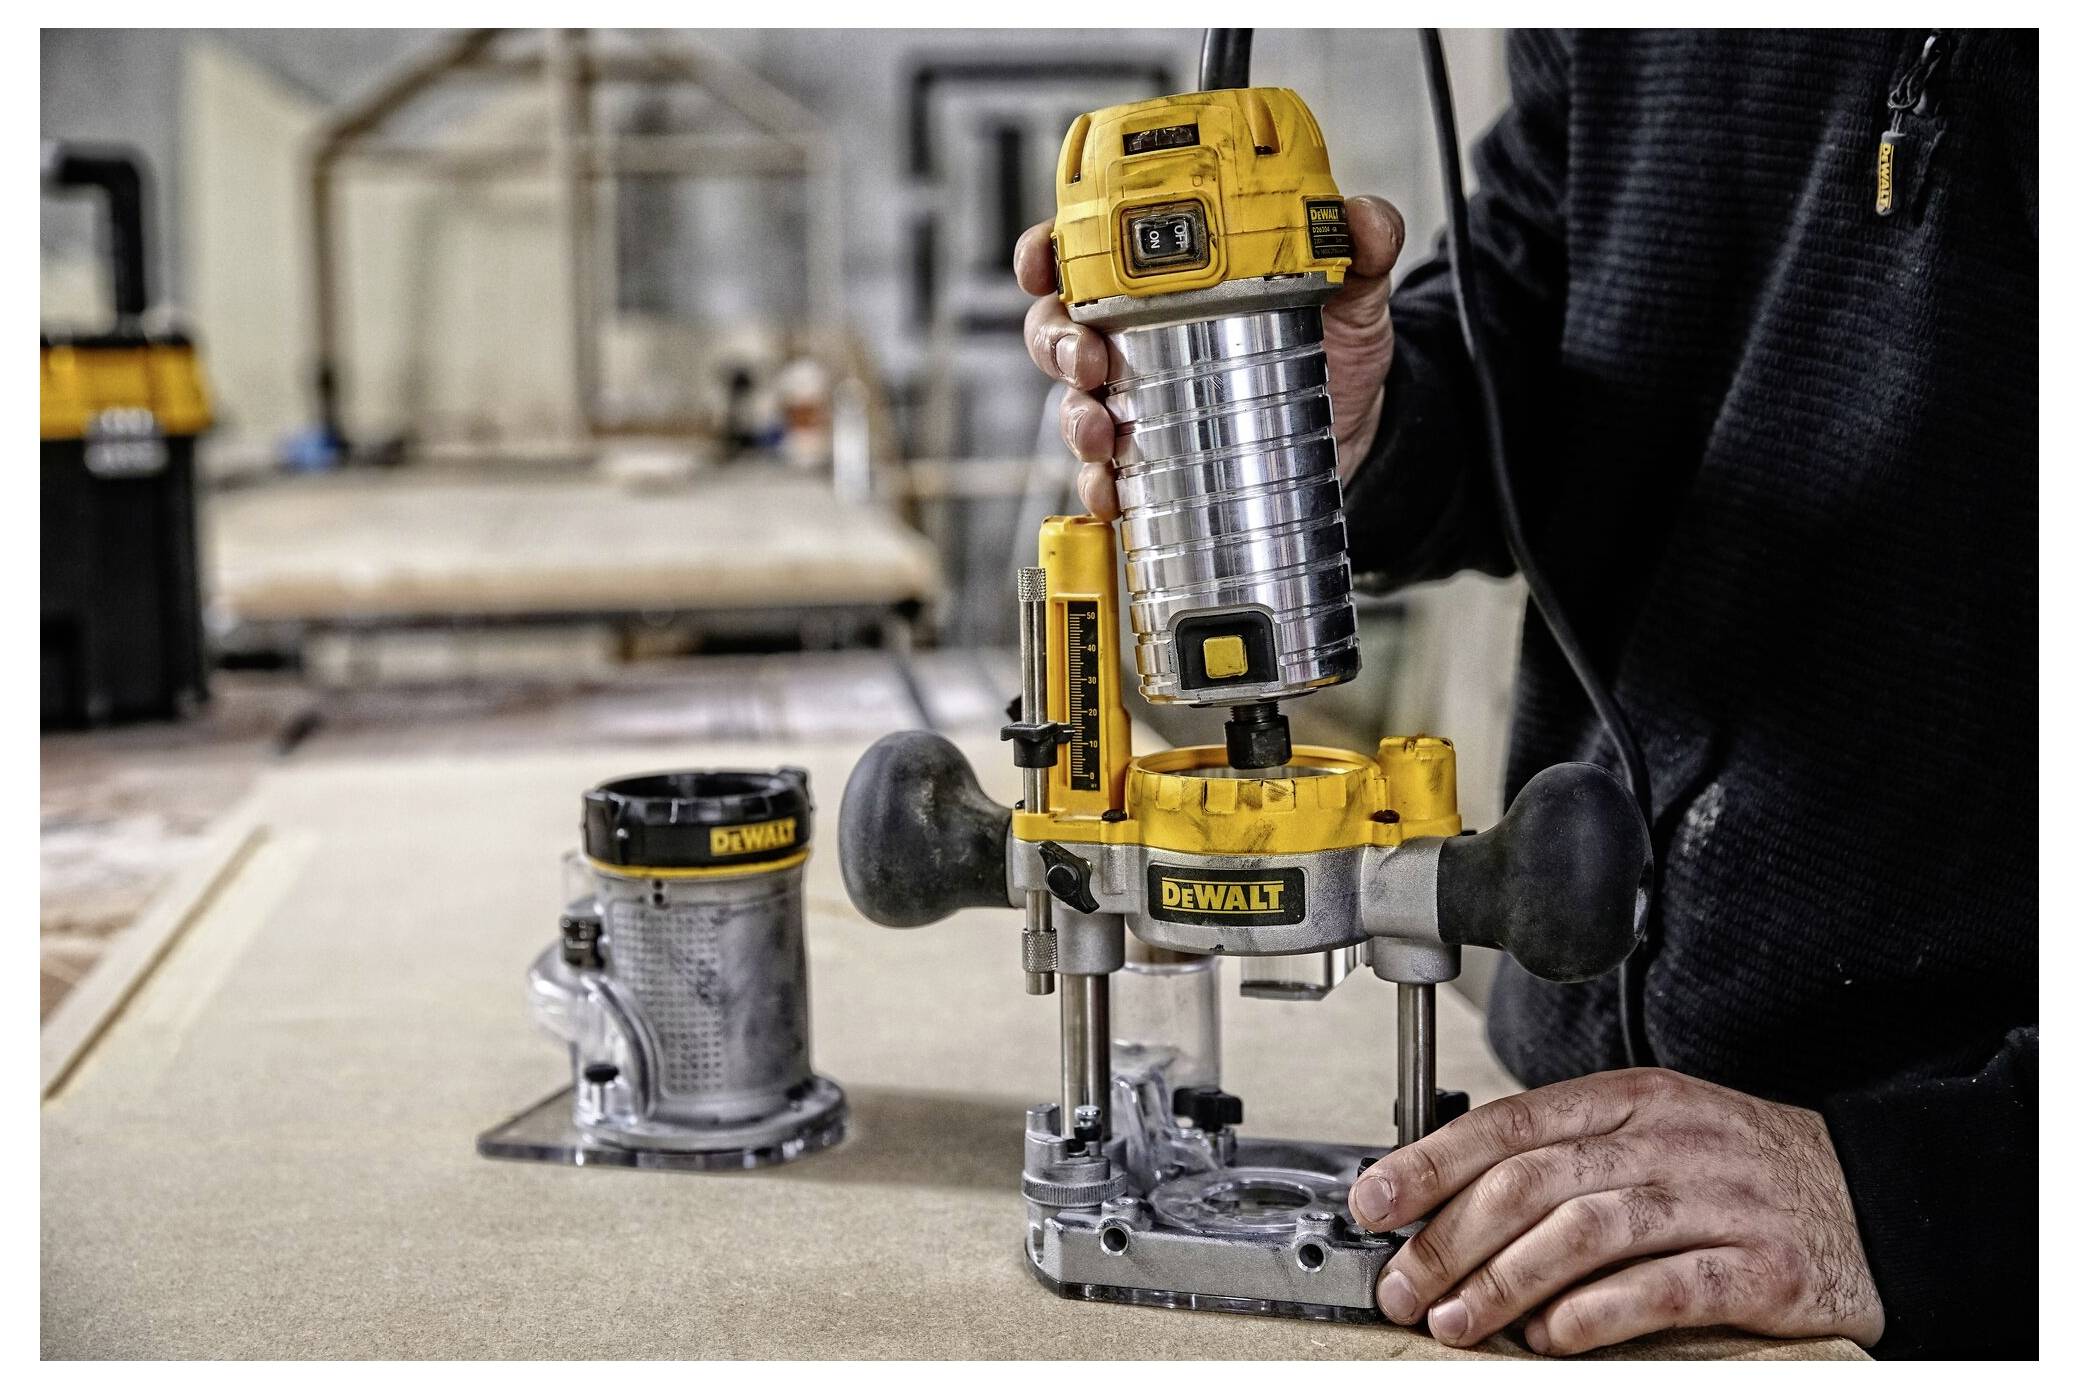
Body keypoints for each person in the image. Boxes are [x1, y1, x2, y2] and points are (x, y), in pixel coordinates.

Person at [1013, 30, 2036, 1359]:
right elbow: (1547, 338)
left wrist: (1942, 1194)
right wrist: (1352, 410)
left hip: (1937, 1252)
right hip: (1574, 1147)